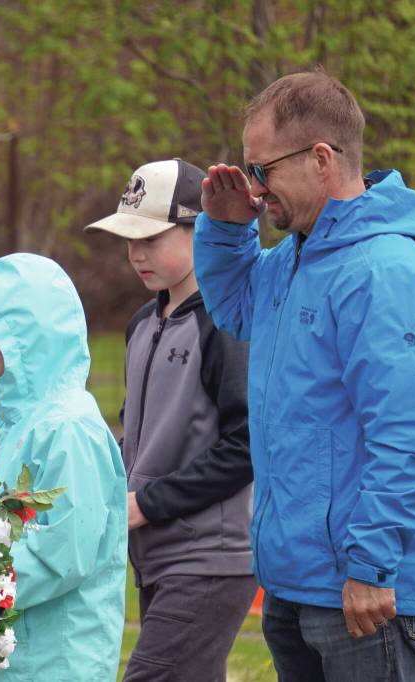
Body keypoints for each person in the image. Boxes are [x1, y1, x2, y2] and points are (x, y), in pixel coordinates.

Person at [193, 70, 415, 680]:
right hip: (297, 580)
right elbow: (235, 308)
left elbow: (412, 435)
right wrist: (228, 227)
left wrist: (371, 565)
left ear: (321, 158)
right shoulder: (295, 257)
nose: (256, 191)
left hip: (362, 591)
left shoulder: (383, 270)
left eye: (263, 171)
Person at [84, 159, 256, 681]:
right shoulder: (142, 323)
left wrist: (148, 503)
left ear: (198, 228)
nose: (136, 254)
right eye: (127, 240)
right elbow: (138, 433)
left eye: (151, 238)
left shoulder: (225, 323)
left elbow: (247, 445)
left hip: (210, 557)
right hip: (157, 554)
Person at [0, 253, 128, 681]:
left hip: (60, 659)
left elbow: (64, 553)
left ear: (26, 341)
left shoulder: (69, 429)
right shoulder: (18, 421)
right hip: (17, 654)